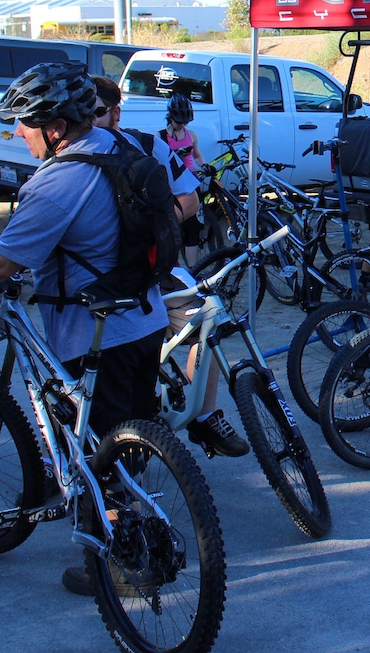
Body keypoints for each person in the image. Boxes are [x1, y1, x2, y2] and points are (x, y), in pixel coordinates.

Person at [0, 62, 170, 594]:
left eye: (23, 124)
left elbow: (2, 262)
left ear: (56, 127)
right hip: (144, 315)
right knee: (127, 437)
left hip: (96, 333)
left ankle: (125, 565)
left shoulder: (61, 180)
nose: (17, 134)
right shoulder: (120, 146)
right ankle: (138, 529)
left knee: (96, 455)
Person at [91, 76, 248, 461]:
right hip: (98, 288)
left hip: (153, 270)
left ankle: (205, 414)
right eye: (83, 112)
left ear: (115, 112)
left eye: (96, 111)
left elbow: (191, 197)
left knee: (208, 317)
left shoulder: (146, 144)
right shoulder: (66, 158)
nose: (89, 119)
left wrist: (154, 224)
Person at [160, 92, 206, 268]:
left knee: (193, 228)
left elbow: (198, 156)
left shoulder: (191, 135)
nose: (182, 125)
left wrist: (205, 165)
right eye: (179, 122)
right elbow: (158, 164)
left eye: (185, 122)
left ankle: (194, 271)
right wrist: (174, 156)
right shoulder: (161, 137)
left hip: (191, 183)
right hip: (172, 188)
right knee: (173, 228)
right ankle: (173, 267)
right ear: (170, 117)